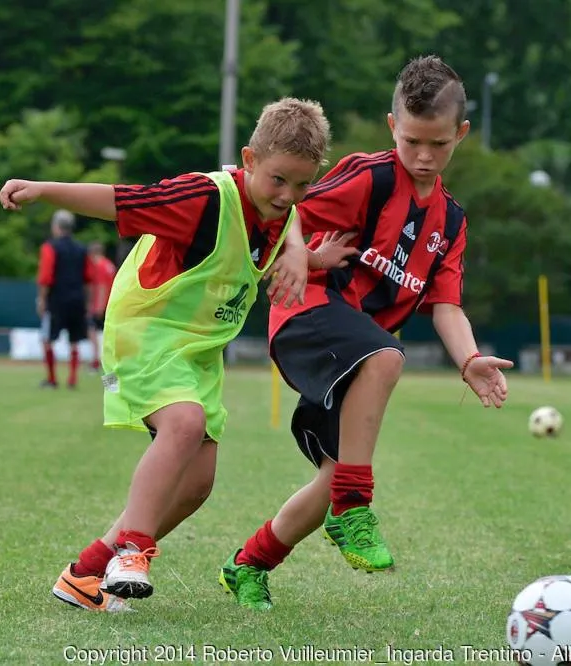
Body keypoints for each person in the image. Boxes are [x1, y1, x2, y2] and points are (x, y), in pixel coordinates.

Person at [0, 97, 354, 612]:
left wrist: (311, 256)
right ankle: (132, 550)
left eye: (302, 185)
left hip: (198, 351)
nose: (289, 195)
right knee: (183, 425)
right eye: (278, 180)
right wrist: (43, 190)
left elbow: (275, 237)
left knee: (195, 485)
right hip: (144, 332)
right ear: (249, 160)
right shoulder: (204, 198)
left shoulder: (282, 214)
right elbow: (122, 199)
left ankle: (85, 572)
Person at [220, 56, 514, 611]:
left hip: (357, 352)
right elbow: (290, 205)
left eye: (439, 145)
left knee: (332, 472)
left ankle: (248, 565)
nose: (424, 157)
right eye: (412, 141)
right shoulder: (369, 176)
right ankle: (355, 507)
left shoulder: (450, 221)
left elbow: (447, 305)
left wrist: (469, 359)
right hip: (307, 312)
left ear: (461, 135)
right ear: (392, 127)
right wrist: (300, 254)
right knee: (387, 356)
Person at [36, 210, 92, 388]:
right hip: (77, 299)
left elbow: (46, 277)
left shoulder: (49, 247)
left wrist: (41, 299)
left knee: (48, 339)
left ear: (56, 226)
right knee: (74, 340)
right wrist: (88, 301)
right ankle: (72, 379)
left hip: (56, 300)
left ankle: (52, 379)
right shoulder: (82, 250)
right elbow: (88, 278)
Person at [85, 240, 117, 372]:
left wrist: (98, 307)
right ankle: (107, 369)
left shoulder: (100, 266)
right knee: (107, 339)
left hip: (103, 306)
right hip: (113, 305)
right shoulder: (109, 265)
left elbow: (102, 287)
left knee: (95, 334)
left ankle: (96, 362)